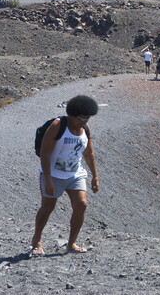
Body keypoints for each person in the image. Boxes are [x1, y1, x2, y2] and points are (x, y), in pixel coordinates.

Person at [30, 95, 99, 256]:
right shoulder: (57, 126)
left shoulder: (85, 129)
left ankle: (71, 243)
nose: (85, 121)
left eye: (87, 118)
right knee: (48, 207)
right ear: (73, 115)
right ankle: (36, 240)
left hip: (75, 174)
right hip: (53, 174)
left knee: (81, 204)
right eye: (82, 118)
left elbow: (89, 153)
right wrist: (47, 179)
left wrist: (95, 176)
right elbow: (45, 153)